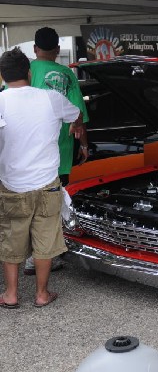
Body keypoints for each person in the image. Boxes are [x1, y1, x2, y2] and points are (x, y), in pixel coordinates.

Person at [0, 47, 83, 308]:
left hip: (12, 184)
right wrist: (75, 125)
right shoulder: (51, 98)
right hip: (47, 184)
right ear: (28, 72)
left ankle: (11, 295)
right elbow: (76, 113)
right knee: (46, 239)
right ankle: (41, 294)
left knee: (11, 239)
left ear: (2, 76)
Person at [23, 27, 90, 276]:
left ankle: (31, 256)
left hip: (27, 151)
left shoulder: (24, 72)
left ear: (34, 49)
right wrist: (83, 144)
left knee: (28, 203)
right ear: (58, 50)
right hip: (59, 151)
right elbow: (78, 118)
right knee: (54, 204)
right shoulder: (66, 75)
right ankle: (47, 254)